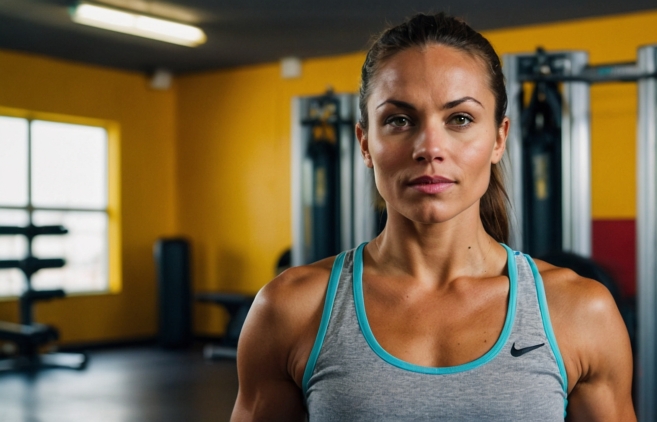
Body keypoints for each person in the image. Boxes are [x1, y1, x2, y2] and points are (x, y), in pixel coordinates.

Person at [231, 13, 635, 421]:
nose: (429, 147)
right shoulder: (290, 310)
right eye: (399, 120)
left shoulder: (580, 313)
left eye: (459, 119)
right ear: (365, 143)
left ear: (499, 139)